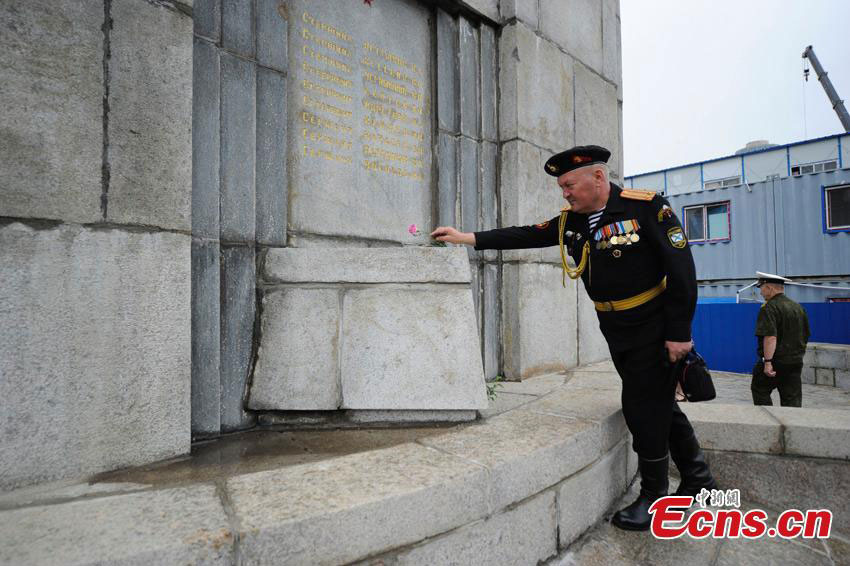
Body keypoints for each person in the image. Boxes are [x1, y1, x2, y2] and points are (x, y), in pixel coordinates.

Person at [431, 145, 717, 531]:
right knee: (659, 402)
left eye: (569, 185)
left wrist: (679, 334)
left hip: (653, 325)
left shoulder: (645, 207)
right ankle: (699, 480)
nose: (564, 192)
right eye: (562, 187)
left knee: (640, 406)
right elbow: (526, 235)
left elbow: (682, 270)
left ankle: (654, 497)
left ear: (598, 178)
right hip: (616, 329)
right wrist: (466, 237)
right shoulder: (573, 222)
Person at [751, 271, 811, 407]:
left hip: (775, 363)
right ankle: (792, 425)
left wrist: (768, 362)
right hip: (795, 362)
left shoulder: (769, 308)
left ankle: (769, 422)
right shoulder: (797, 307)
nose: (760, 292)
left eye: (761, 288)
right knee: (792, 399)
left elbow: (770, 337)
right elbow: (806, 334)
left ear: (769, 288)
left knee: (760, 390)